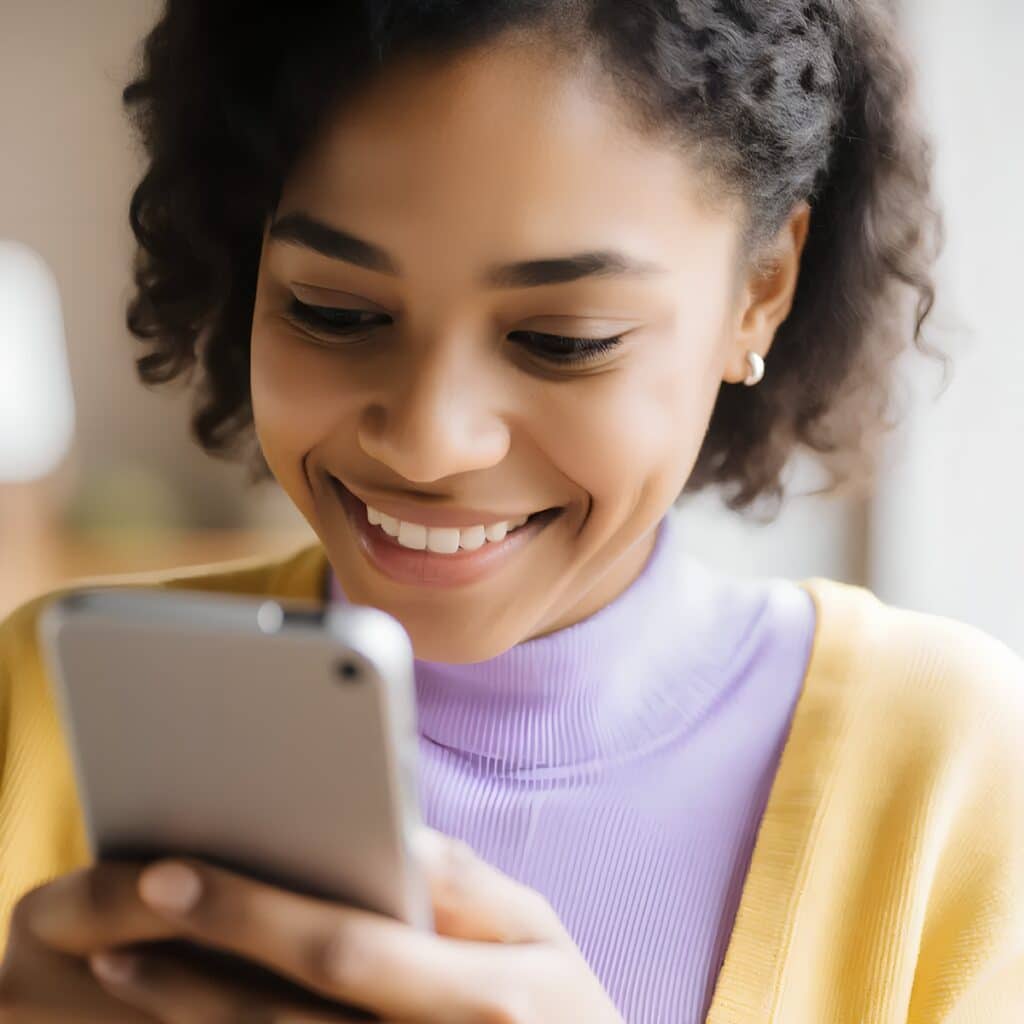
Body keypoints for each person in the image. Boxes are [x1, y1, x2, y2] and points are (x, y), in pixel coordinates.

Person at [1, 1, 1022, 1020]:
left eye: (563, 338)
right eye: (335, 312)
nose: (429, 440)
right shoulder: (40, 711)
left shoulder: (955, 772)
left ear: (761, 287)